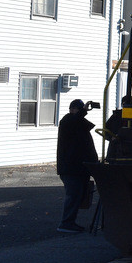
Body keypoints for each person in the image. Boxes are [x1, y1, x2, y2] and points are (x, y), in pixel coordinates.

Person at [56, 99, 99, 233]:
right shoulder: (67, 121)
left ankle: (69, 222)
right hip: (71, 168)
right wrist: (83, 111)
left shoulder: (76, 124)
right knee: (73, 196)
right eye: (79, 109)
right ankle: (66, 223)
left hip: (77, 167)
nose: (83, 113)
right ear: (73, 109)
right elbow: (75, 121)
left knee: (77, 196)